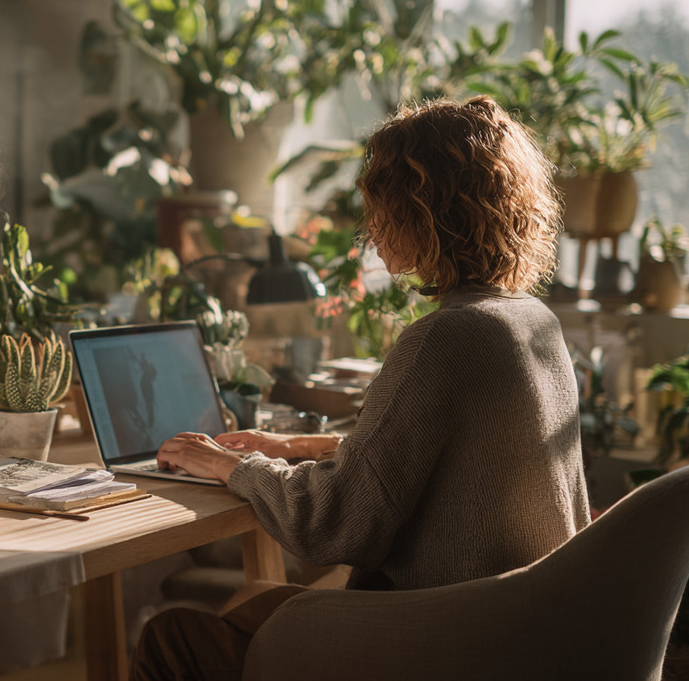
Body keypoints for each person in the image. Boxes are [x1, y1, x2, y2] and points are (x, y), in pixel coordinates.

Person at [131, 96, 590, 681]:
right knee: (256, 604)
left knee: (173, 638)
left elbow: (333, 524)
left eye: (381, 207)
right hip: (515, 631)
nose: (371, 230)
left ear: (424, 211)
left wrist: (229, 467)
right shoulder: (529, 321)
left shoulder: (445, 338)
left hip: (442, 643)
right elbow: (455, 464)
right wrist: (293, 447)